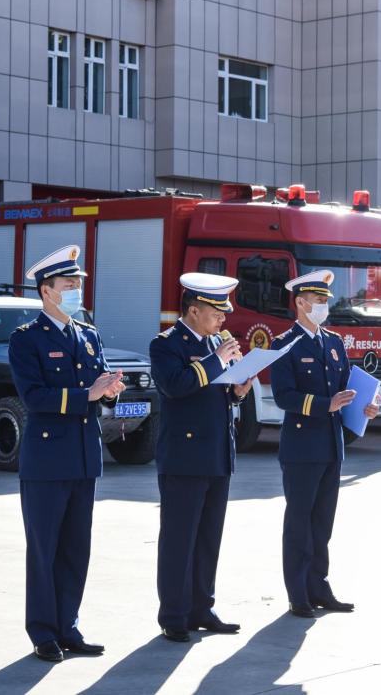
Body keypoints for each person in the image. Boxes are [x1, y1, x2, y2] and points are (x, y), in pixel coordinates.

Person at [9, 245, 126, 662]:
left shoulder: (87, 334)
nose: (76, 291)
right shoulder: (26, 340)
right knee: (45, 550)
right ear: (46, 291)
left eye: (78, 284)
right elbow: (34, 396)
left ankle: (68, 626)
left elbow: (97, 388)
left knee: (76, 547)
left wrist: (109, 390)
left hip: (83, 456)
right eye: (68, 285)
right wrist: (85, 394)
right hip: (46, 460)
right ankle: (42, 632)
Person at [269, 270, 381, 619]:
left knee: (322, 523)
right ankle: (298, 592)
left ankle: (320, 586)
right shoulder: (283, 344)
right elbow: (283, 396)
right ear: (300, 303)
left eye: (325, 301)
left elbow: (346, 387)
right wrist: (324, 405)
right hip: (302, 446)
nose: (323, 306)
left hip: (331, 445)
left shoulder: (333, 342)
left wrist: (365, 406)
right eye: (317, 301)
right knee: (300, 522)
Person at [149, 273, 255, 643]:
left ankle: (201, 607)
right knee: (180, 538)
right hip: (184, 455)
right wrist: (215, 361)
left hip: (216, 452)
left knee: (209, 537)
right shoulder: (166, 345)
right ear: (193, 310)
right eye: (216, 311)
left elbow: (218, 396)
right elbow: (176, 387)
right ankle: (174, 614)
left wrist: (239, 391)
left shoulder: (217, 344)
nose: (223, 319)